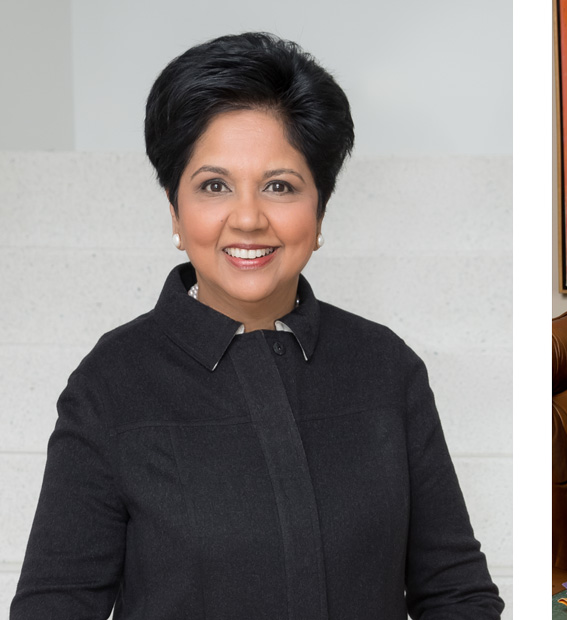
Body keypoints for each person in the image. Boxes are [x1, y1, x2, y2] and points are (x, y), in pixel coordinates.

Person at [10, 33, 503, 619]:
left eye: (280, 186)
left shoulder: (383, 366)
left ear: (319, 213)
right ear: (175, 210)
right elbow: (54, 606)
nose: (247, 218)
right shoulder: (112, 382)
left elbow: (457, 592)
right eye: (214, 186)